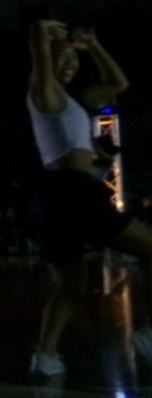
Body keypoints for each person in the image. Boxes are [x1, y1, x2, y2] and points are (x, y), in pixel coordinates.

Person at [26, 20, 152, 377]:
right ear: (49, 60)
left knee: (70, 285)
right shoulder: (43, 91)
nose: (69, 63)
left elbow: (119, 84)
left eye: (73, 60)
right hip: (69, 192)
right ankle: (150, 336)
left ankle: (45, 357)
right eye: (61, 58)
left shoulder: (75, 100)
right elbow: (38, 53)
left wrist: (94, 46)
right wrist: (40, 31)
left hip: (52, 198)